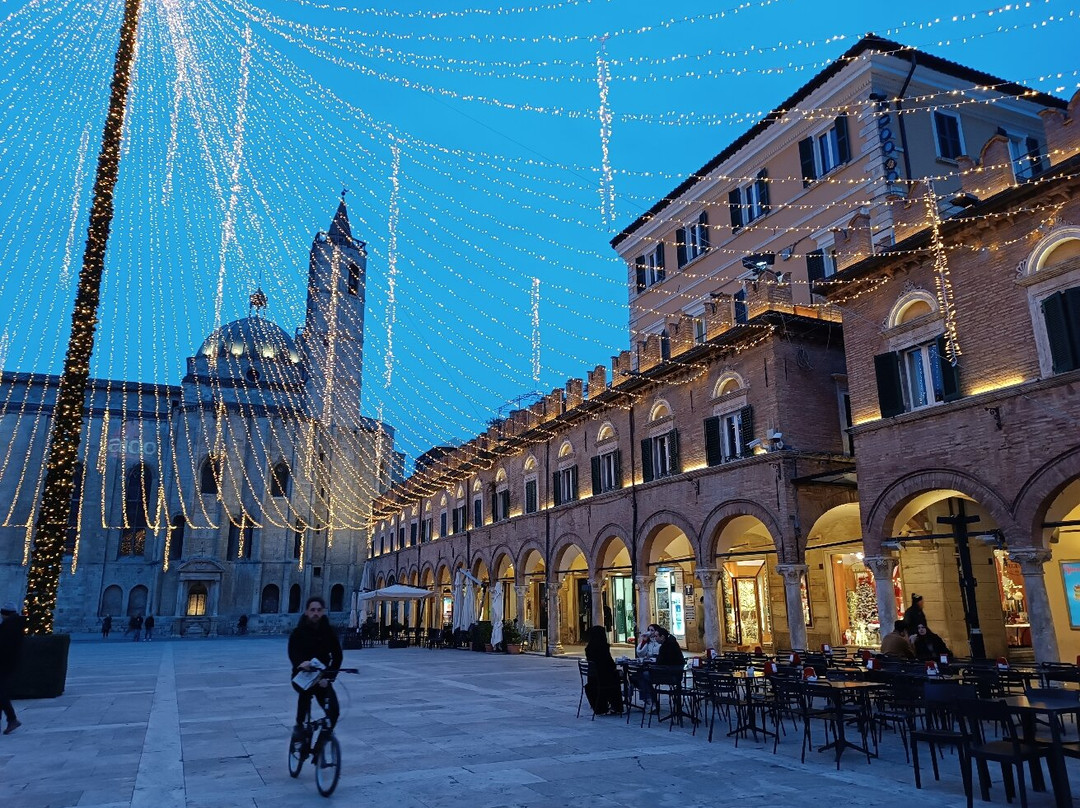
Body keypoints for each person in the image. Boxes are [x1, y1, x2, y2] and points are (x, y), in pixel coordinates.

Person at [288, 596, 342, 738]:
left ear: (323, 612)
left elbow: (338, 655)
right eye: (312, 610)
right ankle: (299, 727)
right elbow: (293, 652)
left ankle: (319, 749)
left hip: (321, 677)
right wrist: (300, 663)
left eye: (319, 610)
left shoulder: (329, 631)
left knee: (334, 711)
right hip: (302, 676)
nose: (315, 613)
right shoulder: (298, 632)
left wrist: (329, 677)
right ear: (306, 612)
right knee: (305, 694)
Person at [584, 625, 623, 715]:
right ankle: (617, 706)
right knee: (617, 678)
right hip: (603, 679)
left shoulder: (588, 648)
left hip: (593, 679)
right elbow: (609, 664)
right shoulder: (603, 647)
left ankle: (607, 706)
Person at [0, 601, 25, 735]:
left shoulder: (9, 626)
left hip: (4, 663)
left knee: (1, 692)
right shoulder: (15, 624)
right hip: (9, 663)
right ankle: (11, 719)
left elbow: (4, 646)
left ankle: (12, 719)